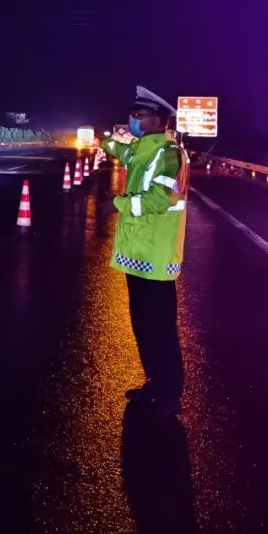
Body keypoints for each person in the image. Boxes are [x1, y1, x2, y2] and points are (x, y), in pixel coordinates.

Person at [100, 86, 189, 417]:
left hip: (156, 255)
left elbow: (160, 198)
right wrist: (105, 140)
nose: (133, 121)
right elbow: (119, 151)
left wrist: (118, 204)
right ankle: (155, 382)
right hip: (138, 252)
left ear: (158, 120)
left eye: (139, 116)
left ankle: (170, 392)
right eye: (132, 116)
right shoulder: (141, 150)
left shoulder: (167, 154)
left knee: (160, 326)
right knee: (142, 324)